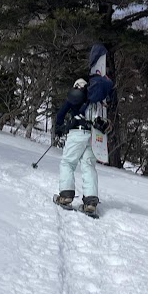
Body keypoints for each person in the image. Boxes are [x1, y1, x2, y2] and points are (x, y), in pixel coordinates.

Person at [54, 71, 114, 215]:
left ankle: (66, 196)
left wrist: (59, 129)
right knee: (88, 166)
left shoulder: (74, 96)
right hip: (92, 135)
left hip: (76, 133)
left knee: (68, 163)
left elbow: (60, 114)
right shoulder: (95, 99)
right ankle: (90, 203)